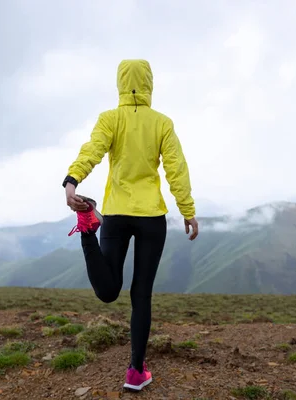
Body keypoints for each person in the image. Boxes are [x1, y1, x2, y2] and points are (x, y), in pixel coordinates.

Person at [62, 59, 199, 392]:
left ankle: (86, 228)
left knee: (109, 291)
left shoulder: (110, 119)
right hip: (152, 217)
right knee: (141, 294)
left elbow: (93, 149)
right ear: (150, 83)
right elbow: (176, 169)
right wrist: (187, 210)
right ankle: (136, 371)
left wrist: (72, 180)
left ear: (121, 82)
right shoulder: (162, 123)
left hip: (118, 214)